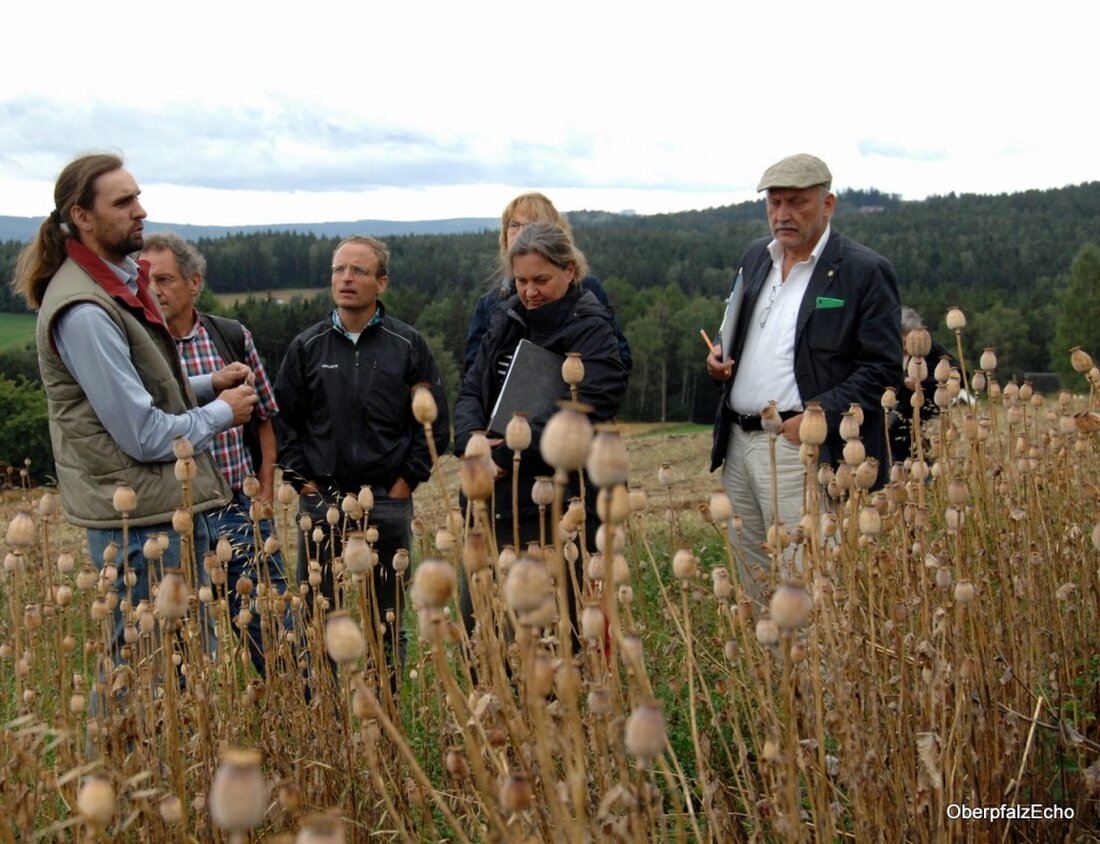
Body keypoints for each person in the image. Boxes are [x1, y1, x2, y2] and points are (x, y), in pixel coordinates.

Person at [12, 153, 258, 665]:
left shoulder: (112, 286)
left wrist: (207, 384)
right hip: (139, 524)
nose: (140, 210)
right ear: (82, 216)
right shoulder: (85, 312)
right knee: (146, 680)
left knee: (176, 673)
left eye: (138, 196)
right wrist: (222, 413)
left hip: (155, 512)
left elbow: (137, 394)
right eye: (123, 201)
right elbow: (144, 433)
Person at [707, 153, 901, 605]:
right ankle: (774, 678)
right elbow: (740, 328)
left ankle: (820, 677)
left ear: (828, 203)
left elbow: (883, 368)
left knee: (808, 584)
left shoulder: (862, 270)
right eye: (774, 204)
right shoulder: (757, 256)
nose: (782, 215)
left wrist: (816, 419)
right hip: (738, 444)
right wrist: (720, 359)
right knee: (754, 583)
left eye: (796, 203)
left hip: (801, 449)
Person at [274, 235, 449, 675]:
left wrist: (404, 483)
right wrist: (304, 484)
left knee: (387, 623)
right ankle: (325, 721)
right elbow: (282, 422)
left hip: (388, 501)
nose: (346, 278)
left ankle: (387, 720)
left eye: (359, 270)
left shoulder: (407, 345)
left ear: (382, 283)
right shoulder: (307, 346)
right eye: (339, 269)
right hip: (322, 502)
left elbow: (433, 425)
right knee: (318, 617)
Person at [454, 222, 630, 632]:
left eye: (541, 280)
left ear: (569, 271)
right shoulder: (505, 317)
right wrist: (470, 440)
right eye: (521, 280)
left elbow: (588, 408)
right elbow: (470, 391)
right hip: (491, 501)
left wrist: (504, 452)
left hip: (554, 509)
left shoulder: (592, 329)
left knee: (552, 635)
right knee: (486, 631)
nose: (530, 291)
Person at [141, 231, 288, 677]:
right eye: (146, 280)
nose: (154, 291)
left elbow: (264, 417)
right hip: (173, 515)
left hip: (236, 507)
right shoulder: (139, 347)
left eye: (164, 279)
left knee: (274, 626)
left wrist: (264, 490)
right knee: (186, 644)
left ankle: (298, 720)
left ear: (194, 283)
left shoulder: (231, 336)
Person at [463, 192, 631, 372]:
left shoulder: (586, 288)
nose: (520, 233)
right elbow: (473, 372)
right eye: (513, 225)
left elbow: (619, 359)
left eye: (530, 225)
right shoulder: (491, 303)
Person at [890, 306, 961, 462]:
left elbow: (959, 374)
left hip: (927, 425)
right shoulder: (889, 351)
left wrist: (925, 382)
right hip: (894, 429)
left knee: (926, 468)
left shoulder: (932, 350)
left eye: (907, 336)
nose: (904, 342)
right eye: (900, 336)